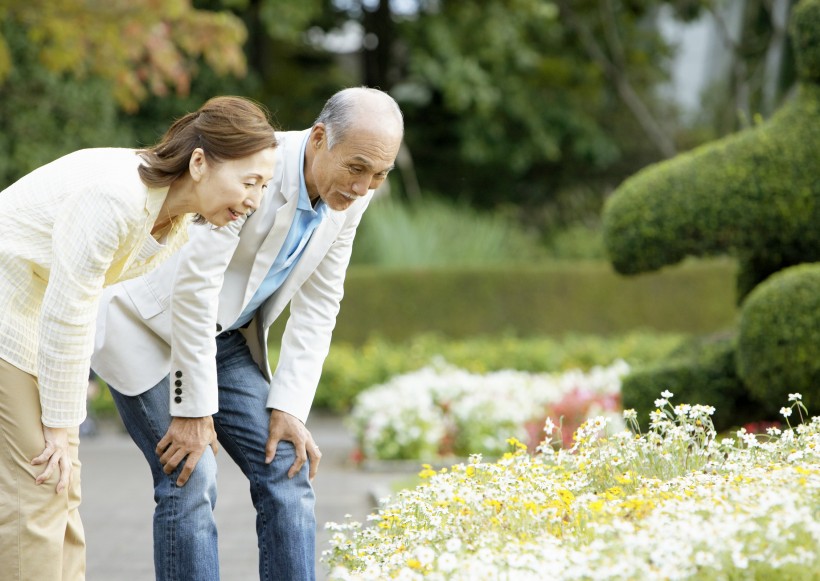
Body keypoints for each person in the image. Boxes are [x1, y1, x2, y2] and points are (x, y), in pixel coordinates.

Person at [91, 87, 404, 580]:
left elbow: (321, 302)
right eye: (358, 168)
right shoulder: (251, 162)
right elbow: (194, 290)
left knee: (287, 464)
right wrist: (193, 410)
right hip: (146, 329)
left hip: (225, 340)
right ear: (319, 138)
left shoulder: (350, 196)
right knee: (191, 477)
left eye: (380, 175)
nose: (365, 186)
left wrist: (289, 406)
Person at [0, 95, 278, 581]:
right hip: (11, 311)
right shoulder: (118, 197)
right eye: (249, 182)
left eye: (264, 186)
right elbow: (71, 310)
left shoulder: (175, 220)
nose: (254, 200)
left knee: (63, 489)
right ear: (199, 162)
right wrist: (63, 429)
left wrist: (67, 425)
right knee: (41, 486)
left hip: (34, 316)